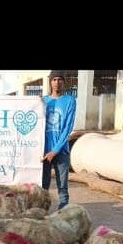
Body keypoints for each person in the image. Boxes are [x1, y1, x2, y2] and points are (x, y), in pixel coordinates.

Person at [42, 70, 77, 210]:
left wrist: (55, 151)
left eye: (60, 79)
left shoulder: (69, 101)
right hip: (44, 152)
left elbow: (67, 128)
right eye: (54, 79)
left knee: (62, 187)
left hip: (61, 151)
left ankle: (63, 216)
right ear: (50, 82)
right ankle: (42, 215)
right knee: (43, 187)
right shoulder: (43, 101)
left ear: (64, 81)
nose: (57, 82)